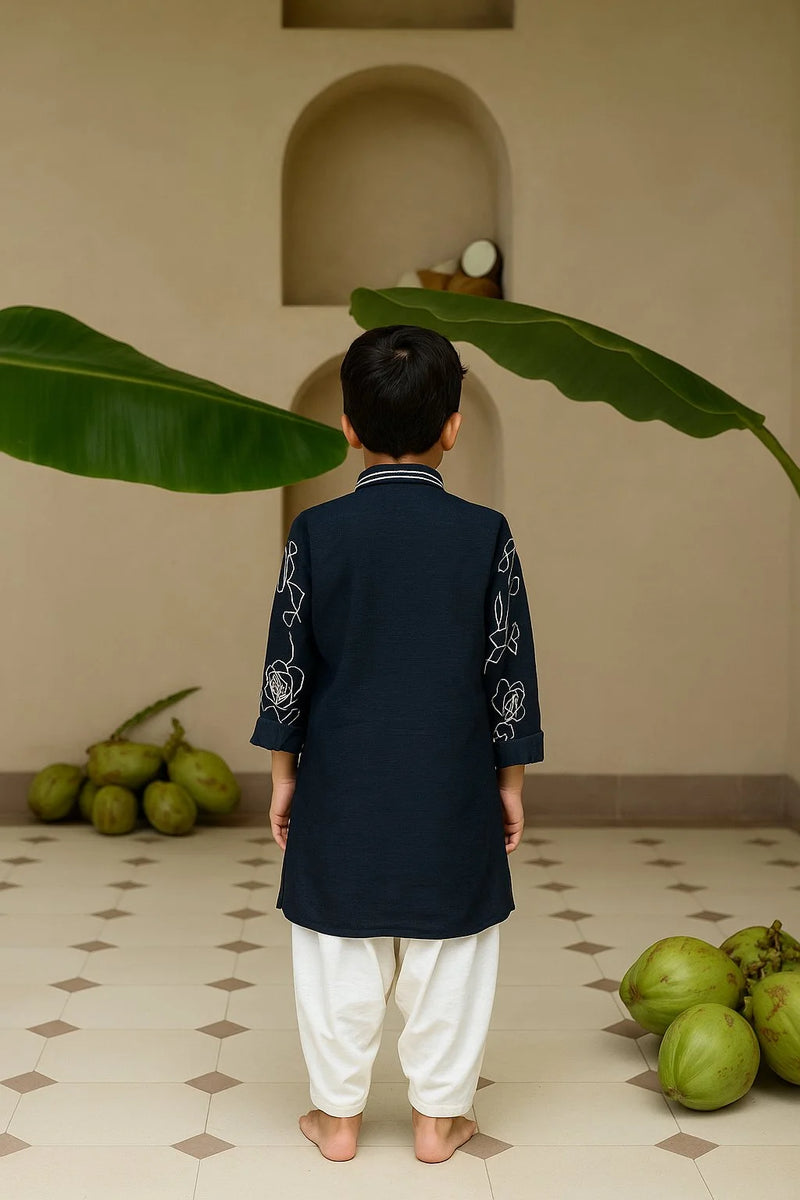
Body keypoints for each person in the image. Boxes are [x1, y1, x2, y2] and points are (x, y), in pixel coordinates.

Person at [250, 325, 545, 1164]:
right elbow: (509, 665)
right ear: (453, 426)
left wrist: (283, 775)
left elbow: (287, 664)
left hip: (340, 789)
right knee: (452, 952)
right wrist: (510, 782)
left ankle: (337, 1120)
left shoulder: (316, 533)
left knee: (335, 951)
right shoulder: (486, 533)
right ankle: (438, 1121)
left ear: (348, 426)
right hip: (451, 786)